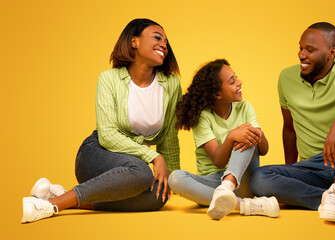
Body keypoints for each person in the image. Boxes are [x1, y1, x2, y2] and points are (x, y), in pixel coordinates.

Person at [21, 18, 182, 223]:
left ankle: (60, 196)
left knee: (159, 197)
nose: (164, 45)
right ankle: (49, 206)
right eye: (157, 38)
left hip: (129, 169)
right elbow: (107, 135)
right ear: (134, 42)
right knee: (142, 173)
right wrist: (154, 157)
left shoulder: (171, 84)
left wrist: (172, 179)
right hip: (97, 154)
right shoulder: (109, 79)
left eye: (166, 42)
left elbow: (169, 136)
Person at [250, 22, 335, 223]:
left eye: (310, 50)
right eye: (300, 47)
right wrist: (292, 170)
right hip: (315, 168)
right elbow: (289, 129)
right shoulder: (286, 77)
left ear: (331, 53)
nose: (301, 55)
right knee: (258, 177)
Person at [168, 59, 279, 220]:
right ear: (217, 94)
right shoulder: (203, 117)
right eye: (232, 81)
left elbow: (264, 150)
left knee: (247, 135)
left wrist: (256, 135)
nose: (240, 83)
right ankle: (245, 205)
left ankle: (228, 188)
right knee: (175, 178)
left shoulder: (245, 107)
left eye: (236, 77)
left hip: (242, 181)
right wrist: (231, 136)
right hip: (212, 186)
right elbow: (218, 162)